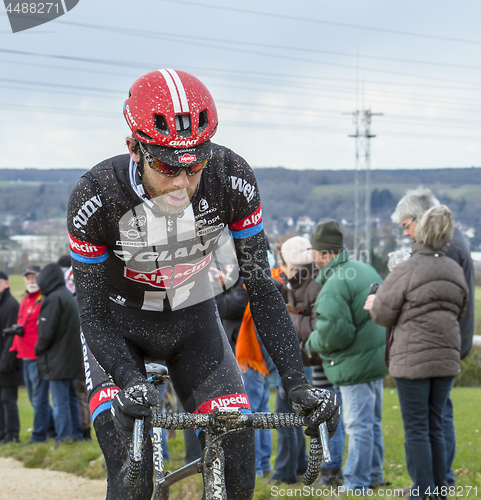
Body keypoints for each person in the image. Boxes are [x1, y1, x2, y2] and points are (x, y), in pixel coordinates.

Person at [67, 69, 340, 500]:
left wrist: (297, 384)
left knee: (238, 465)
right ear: (134, 149)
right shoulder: (96, 195)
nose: (181, 183)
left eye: (195, 167)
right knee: (131, 475)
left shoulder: (232, 177)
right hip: (118, 331)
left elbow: (262, 288)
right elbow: (93, 313)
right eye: (167, 166)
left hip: (193, 326)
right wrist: (123, 374)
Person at [365, 206, 468, 499]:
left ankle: (422, 493)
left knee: (417, 430)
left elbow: (383, 313)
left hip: (412, 361)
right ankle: (438, 490)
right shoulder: (455, 269)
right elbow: (461, 308)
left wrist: (375, 302)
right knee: (435, 425)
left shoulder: (407, 269)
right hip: (446, 358)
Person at [390, 186, 475, 486]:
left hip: (432, 346)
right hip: (449, 343)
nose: (407, 234)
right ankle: (434, 483)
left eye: (407, 226)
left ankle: (434, 483)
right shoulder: (455, 242)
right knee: (435, 420)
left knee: (429, 423)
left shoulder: (444, 249)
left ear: (420, 219)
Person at [306, 220, 388, 492]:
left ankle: (356, 484)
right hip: (376, 359)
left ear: (324, 254)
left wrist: (310, 342)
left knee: (358, 426)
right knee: (372, 423)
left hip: (355, 365)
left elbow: (334, 334)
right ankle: (374, 475)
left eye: (314, 250)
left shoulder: (335, 284)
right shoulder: (364, 269)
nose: (312, 256)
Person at [36, 263, 84, 442]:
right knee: (71, 399)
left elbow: (46, 332)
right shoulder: (67, 296)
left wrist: (38, 349)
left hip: (57, 360)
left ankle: (63, 437)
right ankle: (76, 435)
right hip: (71, 358)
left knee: (60, 401)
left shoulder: (52, 299)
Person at [10, 265, 56, 444]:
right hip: (25, 356)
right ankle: (52, 429)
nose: (31, 281)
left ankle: (39, 436)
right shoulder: (25, 299)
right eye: (28, 278)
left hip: (38, 357)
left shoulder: (43, 300)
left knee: (39, 399)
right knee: (33, 398)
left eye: (34, 277)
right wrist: (15, 350)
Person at [57, 255, 92, 441]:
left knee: (80, 394)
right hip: (81, 353)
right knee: (81, 394)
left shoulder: (74, 302)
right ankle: (83, 431)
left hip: (81, 354)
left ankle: (83, 432)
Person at [0, 271, 22, 443]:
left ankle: (12, 435)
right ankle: (3, 434)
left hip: (8, 363)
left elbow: (11, 337)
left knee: (8, 400)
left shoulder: (11, 305)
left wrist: (5, 362)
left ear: (6, 283)